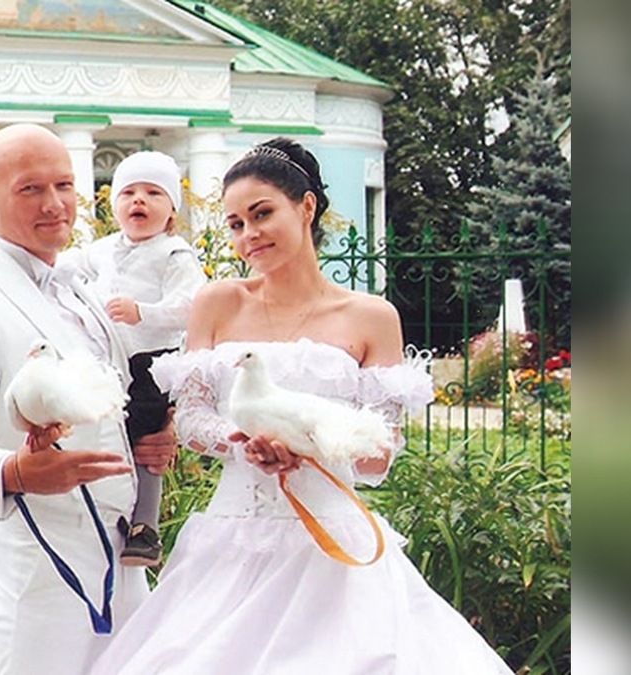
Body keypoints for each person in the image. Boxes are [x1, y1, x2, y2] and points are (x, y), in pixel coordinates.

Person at [91, 138, 515, 674]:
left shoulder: (371, 316)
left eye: (262, 214)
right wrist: (243, 443)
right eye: (236, 224)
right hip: (233, 539)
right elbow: (193, 421)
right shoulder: (217, 303)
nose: (249, 234)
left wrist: (309, 447)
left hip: (332, 546)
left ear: (306, 206)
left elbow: (380, 453)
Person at [0, 123, 177, 675]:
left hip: (125, 561)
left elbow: (114, 405)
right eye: (30, 189)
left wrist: (155, 436)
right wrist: (14, 471)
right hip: (42, 568)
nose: (54, 204)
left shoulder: (84, 290)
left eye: (64, 185)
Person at [62, 150, 207, 566]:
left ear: (172, 210)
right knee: (104, 434)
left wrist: (144, 312)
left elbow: (193, 305)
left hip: (150, 363)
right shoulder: (103, 249)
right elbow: (65, 267)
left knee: (146, 440)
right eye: (128, 193)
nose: (138, 200)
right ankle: (102, 514)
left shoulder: (174, 254)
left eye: (153, 193)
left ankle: (145, 526)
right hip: (108, 364)